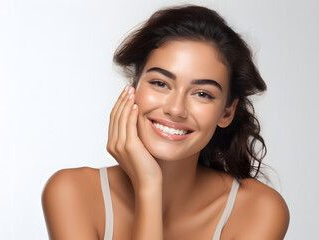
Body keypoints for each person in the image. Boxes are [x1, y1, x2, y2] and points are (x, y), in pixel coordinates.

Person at [42, 5, 290, 240]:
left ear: (226, 113)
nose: (175, 109)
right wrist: (148, 186)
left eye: (202, 94)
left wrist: (148, 188)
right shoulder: (72, 193)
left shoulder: (257, 209)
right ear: (134, 87)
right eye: (160, 83)